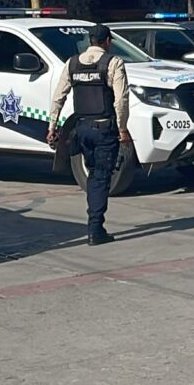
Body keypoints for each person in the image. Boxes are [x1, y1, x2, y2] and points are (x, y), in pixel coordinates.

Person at [47, 23, 131, 245]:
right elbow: (121, 100)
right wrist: (123, 129)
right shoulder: (114, 63)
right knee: (100, 178)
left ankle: (94, 222)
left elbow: (58, 96)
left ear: (89, 42)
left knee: (93, 174)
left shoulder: (72, 63)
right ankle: (95, 228)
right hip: (104, 129)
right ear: (108, 42)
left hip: (81, 129)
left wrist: (52, 126)